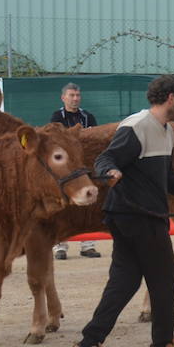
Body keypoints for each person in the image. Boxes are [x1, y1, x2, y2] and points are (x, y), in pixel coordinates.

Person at [67, 75, 174, 347]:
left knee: (126, 280)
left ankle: (90, 343)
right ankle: (162, 344)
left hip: (134, 216)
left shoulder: (165, 133)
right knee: (165, 276)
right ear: (170, 98)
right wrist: (111, 171)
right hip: (136, 216)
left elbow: (164, 177)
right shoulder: (137, 126)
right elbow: (105, 159)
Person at [49, 82, 101, 259]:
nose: (75, 98)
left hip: (84, 169)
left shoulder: (88, 117)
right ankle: (60, 246)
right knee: (62, 205)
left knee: (89, 203)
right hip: (65, 172)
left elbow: (94, 141)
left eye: (77, 95)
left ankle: (88, 245)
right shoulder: (57, 117)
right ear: (63, 97)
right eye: (71, 95)